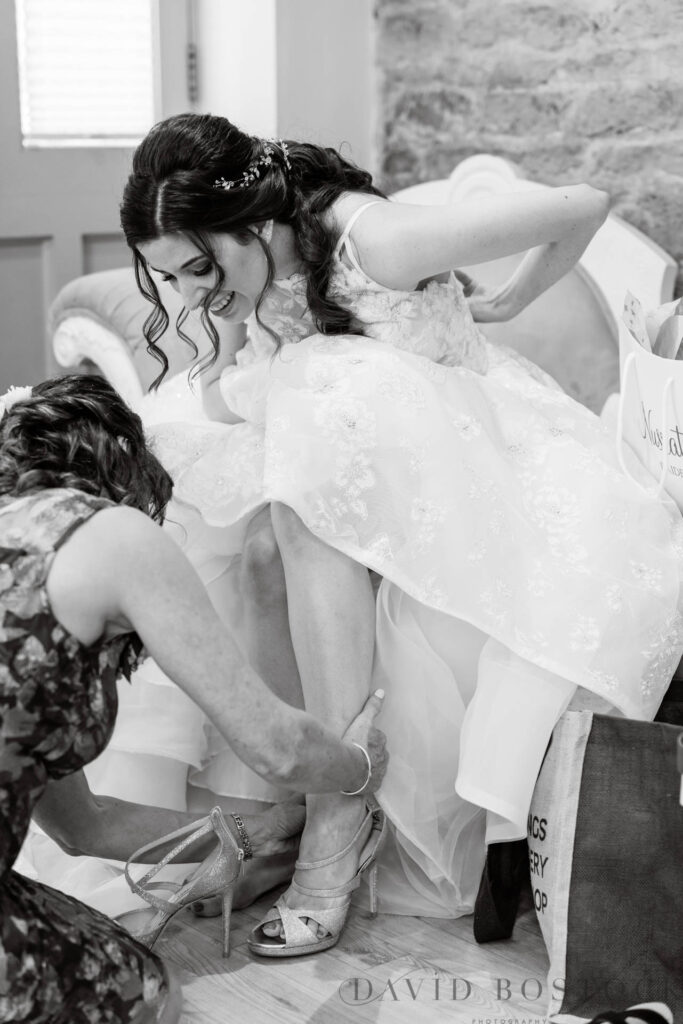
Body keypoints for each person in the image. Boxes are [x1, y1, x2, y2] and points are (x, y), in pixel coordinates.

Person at [118, 112, 683, 957]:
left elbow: (584, 200)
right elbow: (236, 391)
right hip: (352, 464)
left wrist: (512, 297)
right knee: (249, 531)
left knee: (311, 418)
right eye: (174, 278)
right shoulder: (248, 266)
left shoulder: (377, 240)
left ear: (259, 222)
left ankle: (336, 813)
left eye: (202, 267)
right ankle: (292, 800)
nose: (195, 293)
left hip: (482, 454)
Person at [0, 376, 388, 1022]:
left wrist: (261, 830)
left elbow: (81, 825)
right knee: (155, 992)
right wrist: (359, 768)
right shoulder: (107, 532)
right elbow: (279, 748)